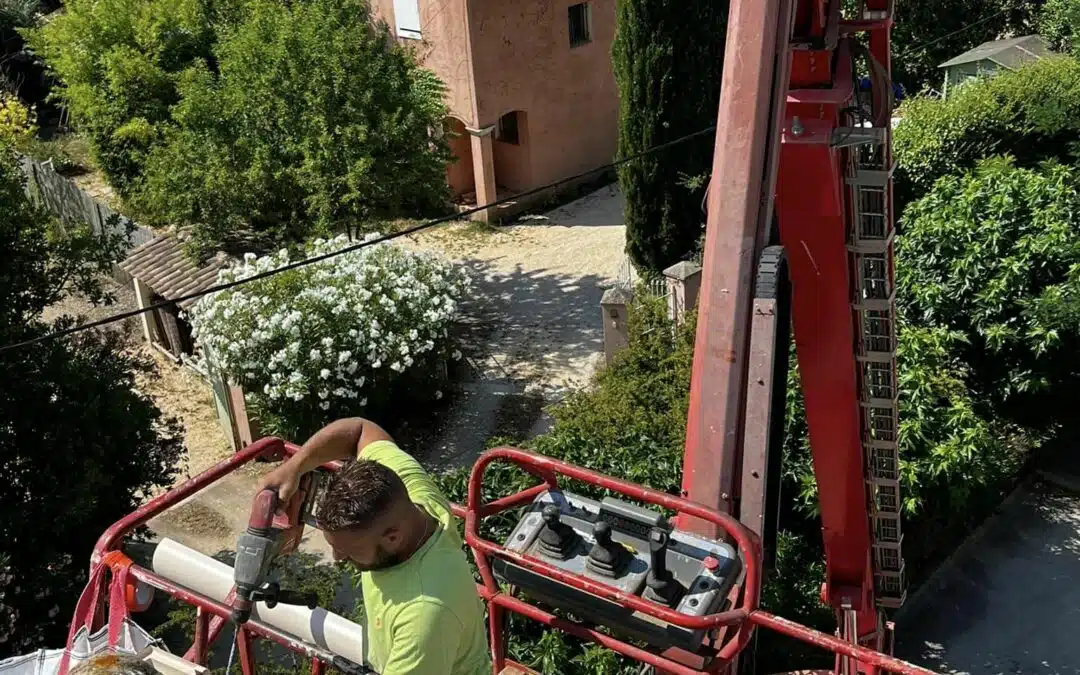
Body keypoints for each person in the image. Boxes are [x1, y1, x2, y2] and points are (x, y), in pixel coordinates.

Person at [257, 418, 491, 675]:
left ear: (392, 537)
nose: (337, 558)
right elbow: (360, 431)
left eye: (350, 552)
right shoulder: (411, 498)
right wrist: (294, 468)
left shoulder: (425, 614)